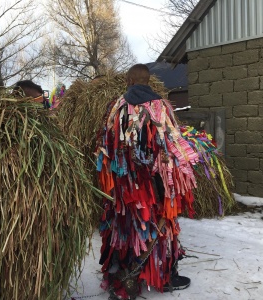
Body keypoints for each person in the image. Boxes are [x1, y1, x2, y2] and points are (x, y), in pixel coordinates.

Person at [94, 64, 199, 299]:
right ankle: (163, 274)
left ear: (130, 80)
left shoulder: (118, 108)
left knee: (128, 226)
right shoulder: (162, 107)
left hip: (125, 185)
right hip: (156, 182)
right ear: (148, 81)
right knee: (159, 226)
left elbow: (106, 144)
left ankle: (124, 271)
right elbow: (173, 145)